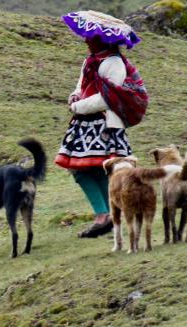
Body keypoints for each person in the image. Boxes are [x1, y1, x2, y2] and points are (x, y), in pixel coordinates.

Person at [55, 35, 133, 238]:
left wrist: (77, 106)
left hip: (104, 123)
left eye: (91, 38)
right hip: (85, 123)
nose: (86, 41)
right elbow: (82, 86)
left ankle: (103, 215)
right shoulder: (91, 60)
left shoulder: (115, 63)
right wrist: (75, 94)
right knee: (92, 169)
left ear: (102, 40)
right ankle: (109, 214)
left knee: (88, 169)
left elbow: (109, 96)